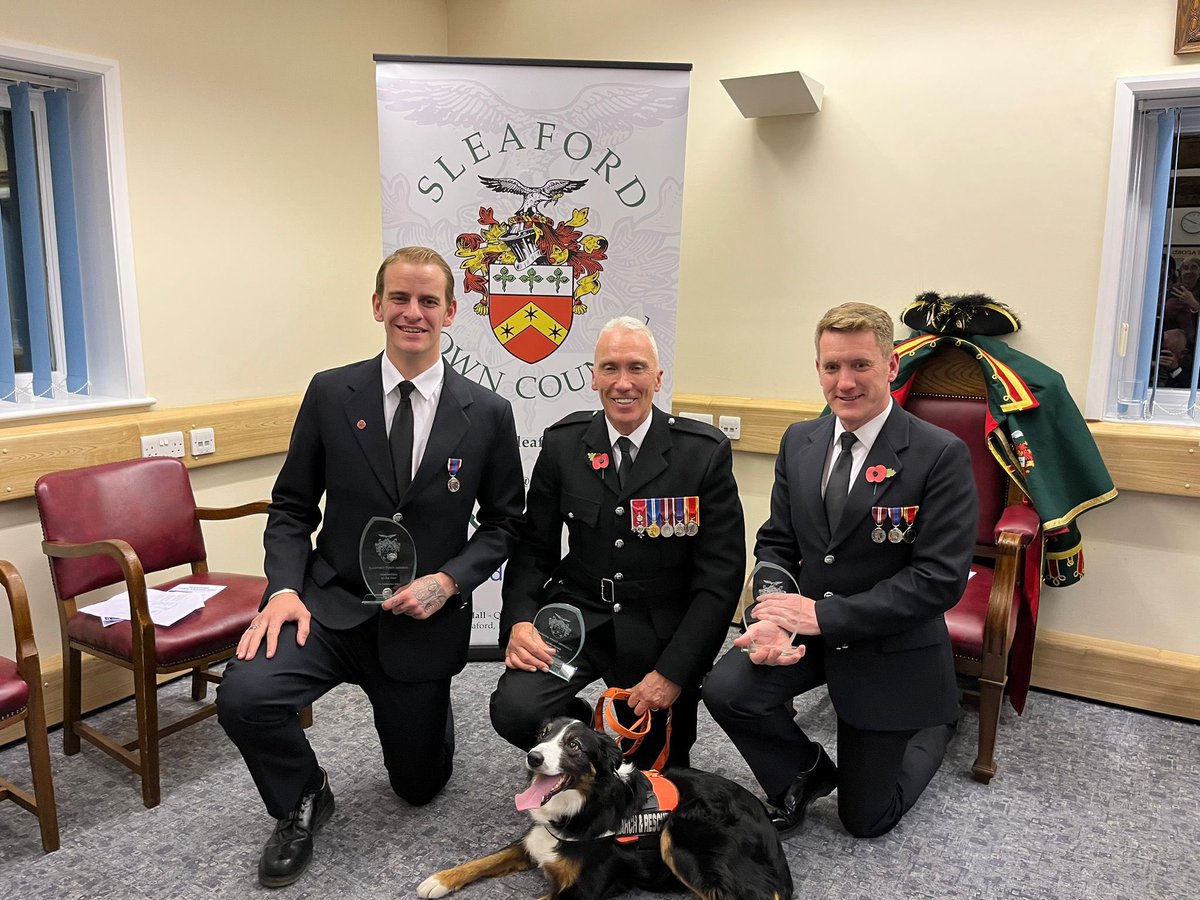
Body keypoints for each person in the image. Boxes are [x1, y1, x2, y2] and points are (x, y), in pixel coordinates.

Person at [216, 246, 524, 888]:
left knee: (418, 787)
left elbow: (503, 526)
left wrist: (447, 582)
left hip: (420, 618)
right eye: (401, 299)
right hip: (327, 606)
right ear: (378, 305)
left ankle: (431, 713)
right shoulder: (332, 393)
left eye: (428, 301)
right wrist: (282, 590)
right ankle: (302, 798)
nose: (413, 313)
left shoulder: (487, 413)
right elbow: (292, 507)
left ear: (450, 312)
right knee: (245, 697)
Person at [702, 302, 977, 840]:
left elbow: (938, 580)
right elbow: (777, 542)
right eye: (832, 367)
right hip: (811, 630)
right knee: (727, 690)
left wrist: (820, 616)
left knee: (865, 820)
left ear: (891, 365)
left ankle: (937, 722)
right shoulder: (799, 441)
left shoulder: (939, 453)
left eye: (860, 366)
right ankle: (805, 773)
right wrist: (773, 613)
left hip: (886, 640)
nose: (844, 382)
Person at [490, 316, 745, 770]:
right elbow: (534, 550)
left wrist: (673, 673)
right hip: (579, 613)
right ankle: (582, 733)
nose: (622, 383)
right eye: (610, 368)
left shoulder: (700, 453)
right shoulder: (564, 444)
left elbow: (720, 580)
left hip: (658, 625)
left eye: (636, 368)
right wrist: (519, 622)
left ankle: (604, 745)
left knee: (649, 769)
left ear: (657, 378)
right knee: (516, 710)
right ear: (594, 376)